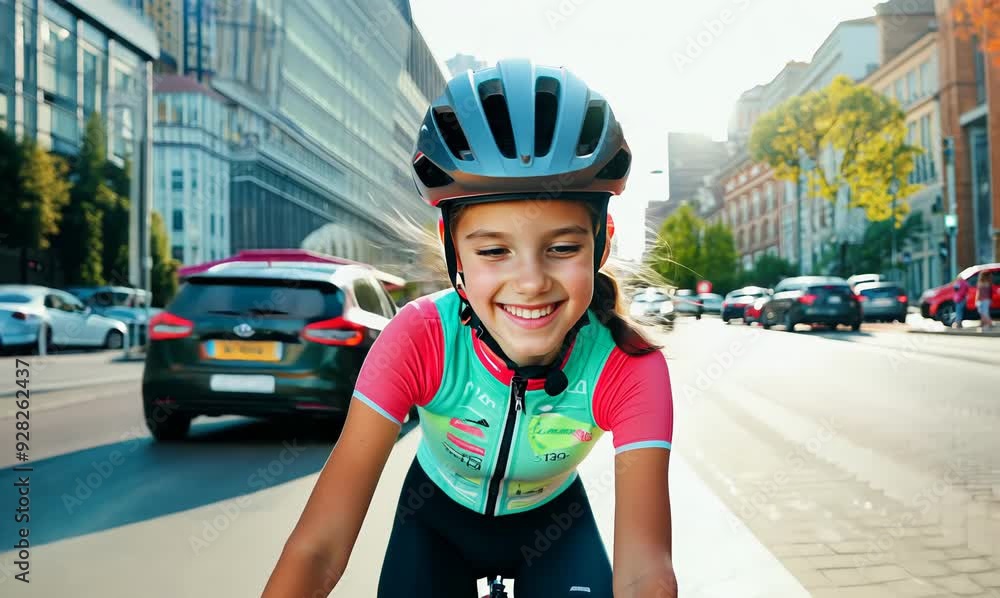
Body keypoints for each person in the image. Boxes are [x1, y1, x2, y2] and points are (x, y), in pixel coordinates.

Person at [261, 59, 676, 598]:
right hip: (434, 522)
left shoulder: (630, 365)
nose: (529, 283)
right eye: (494, 251)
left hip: (554, 528)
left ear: (602, 241)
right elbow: (318, 549)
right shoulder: (419, 337)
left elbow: (647, 573)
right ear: (453, 249)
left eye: (563, 247)